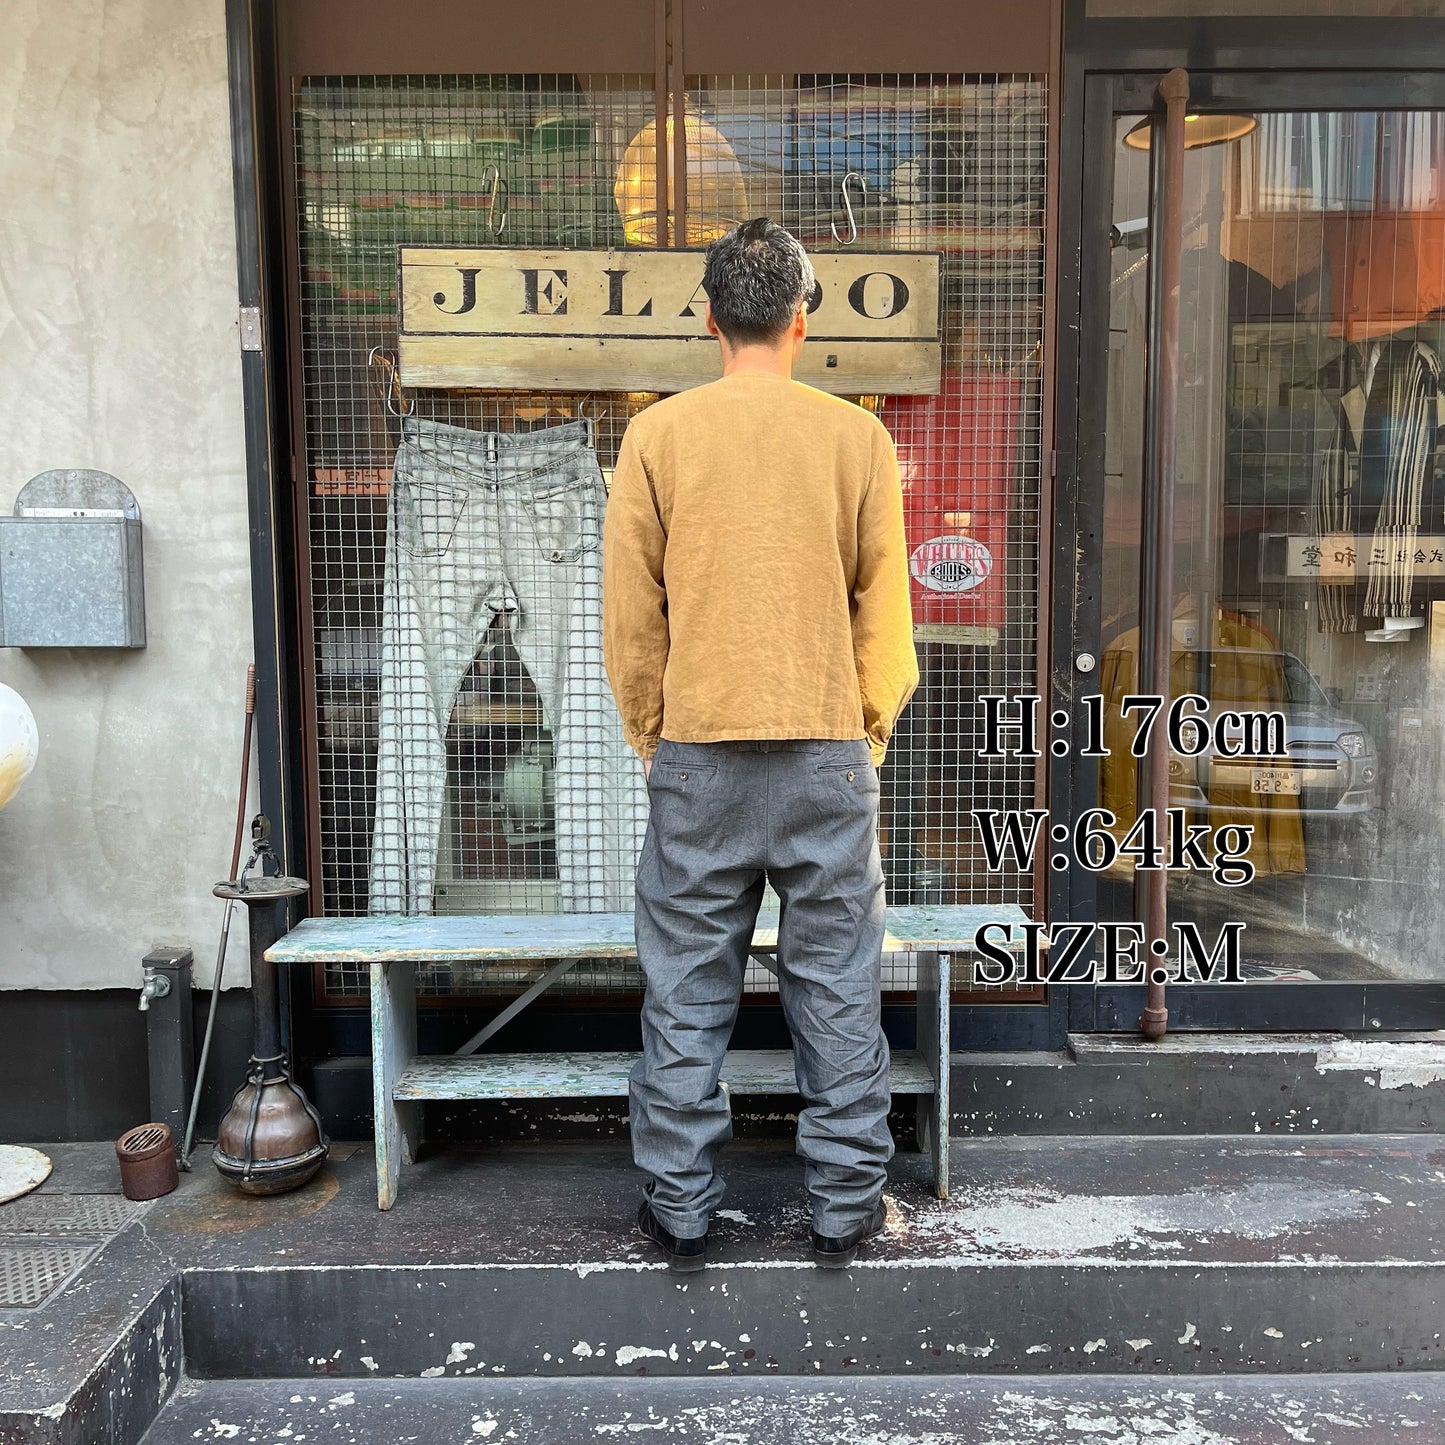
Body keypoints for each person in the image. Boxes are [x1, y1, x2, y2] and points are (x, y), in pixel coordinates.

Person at [601, 218, 919, 1272]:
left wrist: (653, 733)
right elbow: (886, 614)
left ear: (709, 318)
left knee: (685, 991)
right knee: (836, 988)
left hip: (699, 751)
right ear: (800, 319)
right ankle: (844, 1203)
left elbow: (629, 616)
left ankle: (681, 1207)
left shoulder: (656, 437)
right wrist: (862, 729)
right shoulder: (857, 439)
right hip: (826, 747)